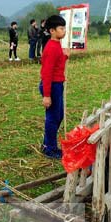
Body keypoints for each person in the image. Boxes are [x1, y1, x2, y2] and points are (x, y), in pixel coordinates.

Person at [39, 15, 69, 159]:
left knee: (58, 115)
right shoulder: (51, 48)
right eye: (61, 28)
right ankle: (50, 148)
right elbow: (47, 72)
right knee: (52, 117)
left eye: (64, 28)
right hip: (51, 86)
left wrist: (65, 57)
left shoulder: (57, 46)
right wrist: (46, 95)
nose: (64, 31)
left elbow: (57, 64)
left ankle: (47, 143)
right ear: (52, 30)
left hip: (57, 84)